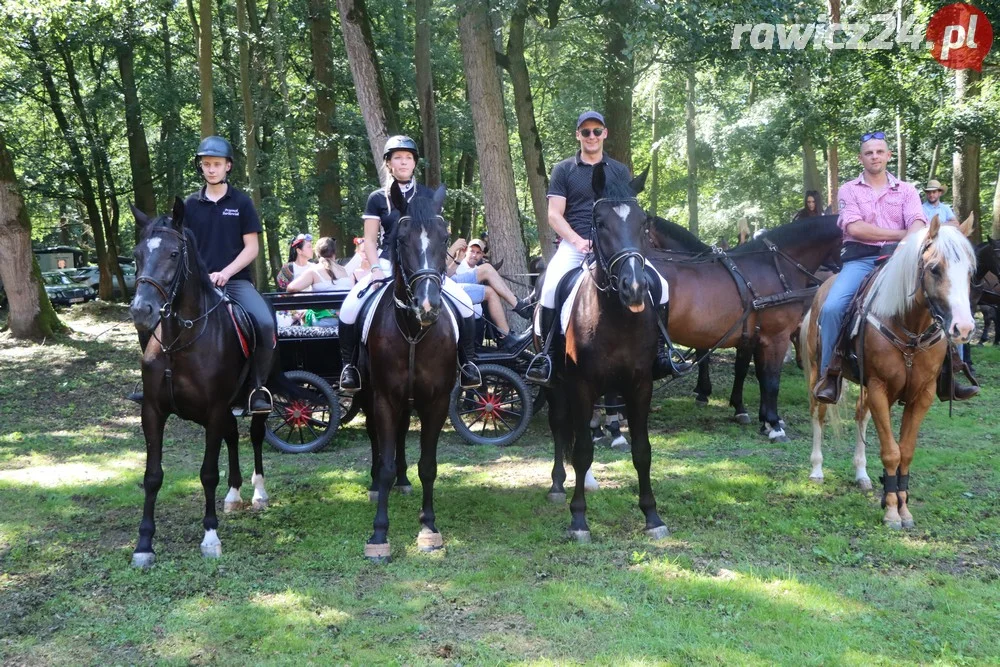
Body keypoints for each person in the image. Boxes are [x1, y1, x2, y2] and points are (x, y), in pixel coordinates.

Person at [813, 131, 976, 403]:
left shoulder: (907, 190)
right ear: (860, 158)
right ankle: (830, 374)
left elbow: (916, 220)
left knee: (940, 296)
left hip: (901, 258)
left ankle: (951, 373)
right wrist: (904, 235)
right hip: (861, 259)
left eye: (879, 152)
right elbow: (855, 227)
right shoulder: (849, 189)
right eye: (868, 152)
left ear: (888, 155)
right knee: (832, 307)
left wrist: (908, 240)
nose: (874, 156)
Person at [127, 136, 276, 413]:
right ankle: (152, 383)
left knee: (265, 324)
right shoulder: (190, 205)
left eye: (216, 164)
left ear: (228, 166)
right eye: (206, 164)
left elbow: (252, 247)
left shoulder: (241, 203)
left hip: (235, 282)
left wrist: (226, 272)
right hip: (195, 284)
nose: (211, 169)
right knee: (149, 319)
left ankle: (257, 389)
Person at [525, 110, 675, 386]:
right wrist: (577, 240)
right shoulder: (564, 170)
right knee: (549, 288)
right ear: (578, 136)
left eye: (596, 131)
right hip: (576, 245)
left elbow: (625, 211)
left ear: (605, 133)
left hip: (615, 247)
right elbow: (554, 214)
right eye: (585, 132)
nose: (591, 136)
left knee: (661, 284)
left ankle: (662, 354)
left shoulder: (618, 170)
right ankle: (546, 357)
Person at [336, 135, 482, 393]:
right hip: (387, 262)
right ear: (388, 163)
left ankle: (468, 363)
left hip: (422, 264)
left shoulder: (427, 195)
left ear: (415, 163)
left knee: (466, 304)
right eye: (397, 158)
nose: (403, 162)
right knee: (349, 308)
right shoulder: (377, 198)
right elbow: (369, 240)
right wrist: (376, 270)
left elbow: (434, 234)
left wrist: (438, 267)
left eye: (408, 158)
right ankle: (350, 368)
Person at [447, 237, 532, 349]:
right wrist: (453, 249)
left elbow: (446, 274)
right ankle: (506, 336)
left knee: (487, 268)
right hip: (444, 287)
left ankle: (520, 305)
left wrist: (457, 260)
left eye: (478, 252)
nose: (474, 255)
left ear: (482, 254)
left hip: (448, 281)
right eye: (472, 251)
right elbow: (438, 271)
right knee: (490, 292)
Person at [287, 236, 352, 327]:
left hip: (325, 322)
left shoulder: (314, 271)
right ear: (334, 252)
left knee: (305, 315)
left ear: (317, 253)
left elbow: (291, 288)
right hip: (348, 320)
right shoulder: (346, 271)